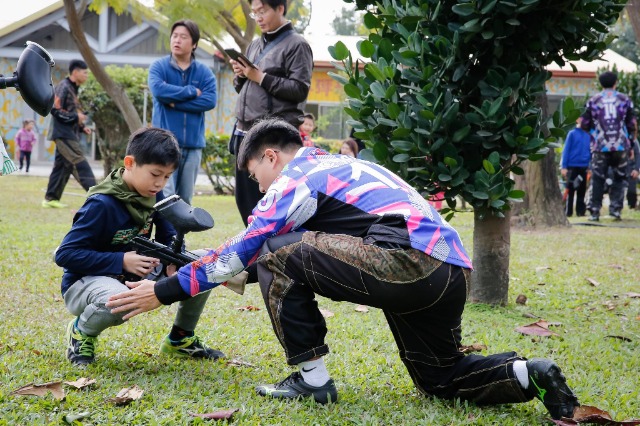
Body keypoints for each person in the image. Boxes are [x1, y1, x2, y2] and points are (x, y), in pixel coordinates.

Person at [106, 119, 580, 420]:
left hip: (408, 262)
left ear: (271, 155)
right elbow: (299, 248)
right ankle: (527, 374)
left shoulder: (298, 175)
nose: (258, 187)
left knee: (273, 247)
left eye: (255, 175)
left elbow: (253, 245)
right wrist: (241, 270)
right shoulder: (344, 165)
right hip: (450, 273)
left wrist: (161, 291)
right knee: (440, 379)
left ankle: (312, 381)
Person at [55, 127, 223, 366]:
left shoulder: (155, 195)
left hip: (133, 275)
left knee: (202, 264)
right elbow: (66, 254)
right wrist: (121, 260)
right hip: (86, 283)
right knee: (121, 297)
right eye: (155, 174)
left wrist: (172, 262)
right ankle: (81, 331)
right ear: (130, 163)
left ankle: (180, 339)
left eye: (166, 176)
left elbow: (170, 236)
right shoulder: (102, 203)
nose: (160, 183)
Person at [228, 0, 313, 226]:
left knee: (271, 202)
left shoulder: (298, 44)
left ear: (280, 9)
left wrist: (260, 77)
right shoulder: (254, 45)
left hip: (273, 137)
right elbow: (244, 88)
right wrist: (241, 75)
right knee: (245, 201)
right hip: (244, 132)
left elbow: (299, 89)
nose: (258, 17)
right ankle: (254, 252)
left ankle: (271, 254)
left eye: (263, 11)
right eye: (255, 13)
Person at [148, 19, 217, 205]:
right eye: (174, 36)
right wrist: (191, 92)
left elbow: (209, 100)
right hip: (164, 144)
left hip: (193, 145)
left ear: (194, 44)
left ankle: (179, 235)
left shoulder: (204, 73)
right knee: (166, 195)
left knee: (185, 198)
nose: (177, 40)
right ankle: (165, 235)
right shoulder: (159, 67)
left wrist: (174, 103)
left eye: (183, 37)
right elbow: (159, 91)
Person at [581, 71, 637, 221]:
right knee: (620, 178)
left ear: (600, 83)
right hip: (620, 145)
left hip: (600, 146)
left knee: (598, 179)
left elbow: (584, 123)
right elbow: (632, 124)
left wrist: (595, 133)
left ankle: (594, 211)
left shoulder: (593, 100)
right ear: (615, 82)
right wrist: (631, 144)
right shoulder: (624, 100)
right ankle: (616, 209)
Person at [42, 59, 96, 209]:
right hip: (62, 134)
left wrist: (81, 126)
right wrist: (76, 117)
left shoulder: (74, 89)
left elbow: (69, 114)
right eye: (85, 73)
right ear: (75, 72)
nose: (86, 76)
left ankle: (50, 198)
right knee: (78, 161)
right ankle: (98, 195)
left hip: (69, 132)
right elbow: (54, 110)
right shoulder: (64, 86)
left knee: (62, 166)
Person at [561, 119, 591, 217]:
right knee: (570, 189)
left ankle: (580, 212)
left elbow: (590, 152)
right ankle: (568, 212)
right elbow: (566, 150)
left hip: (584, 167)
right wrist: (564, 166)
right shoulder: (572, 134)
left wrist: (589, 166)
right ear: (577, 120)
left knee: (582, 190)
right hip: (572, 166)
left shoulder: (589, 135)